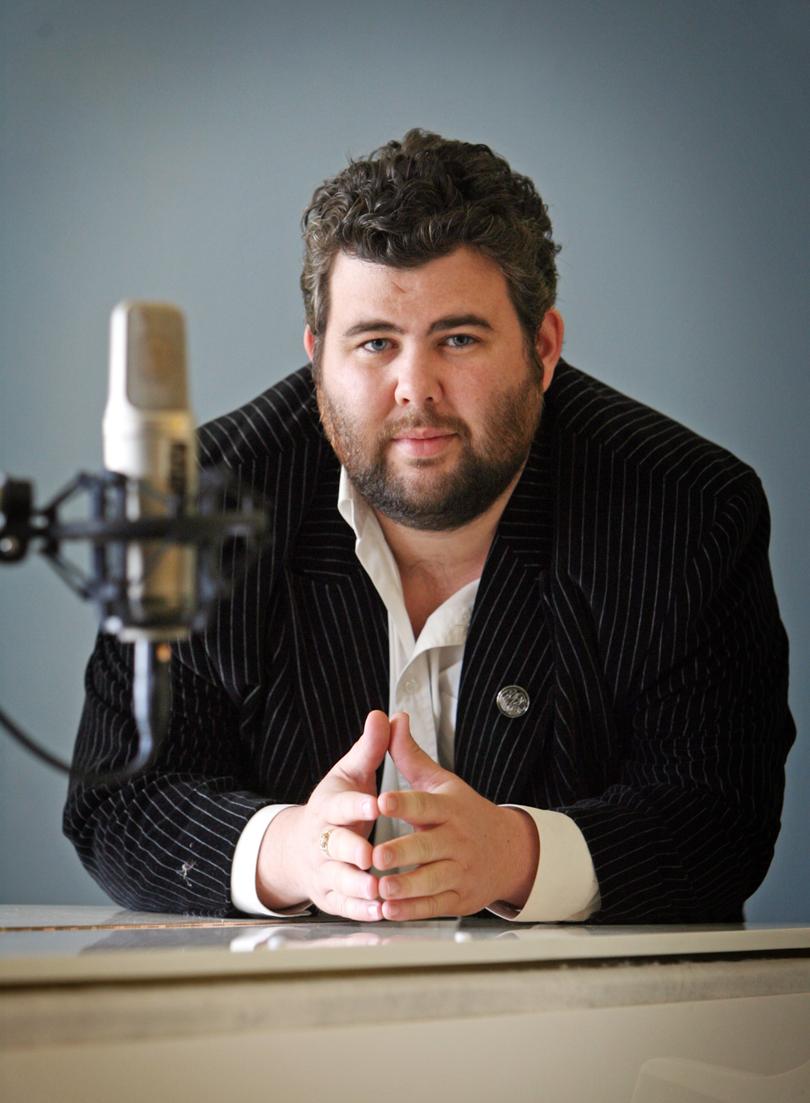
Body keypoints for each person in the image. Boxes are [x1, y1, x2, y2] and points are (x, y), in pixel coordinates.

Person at [65, 130, 794, 924]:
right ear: (318, 359)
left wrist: (514, 854)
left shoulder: (686, 508)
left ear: (542, 348)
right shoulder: (196, 501)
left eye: (458, 338)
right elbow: (119, 797)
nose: (416, 389)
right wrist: (294, 850)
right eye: (375, 342)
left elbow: (721, 818)